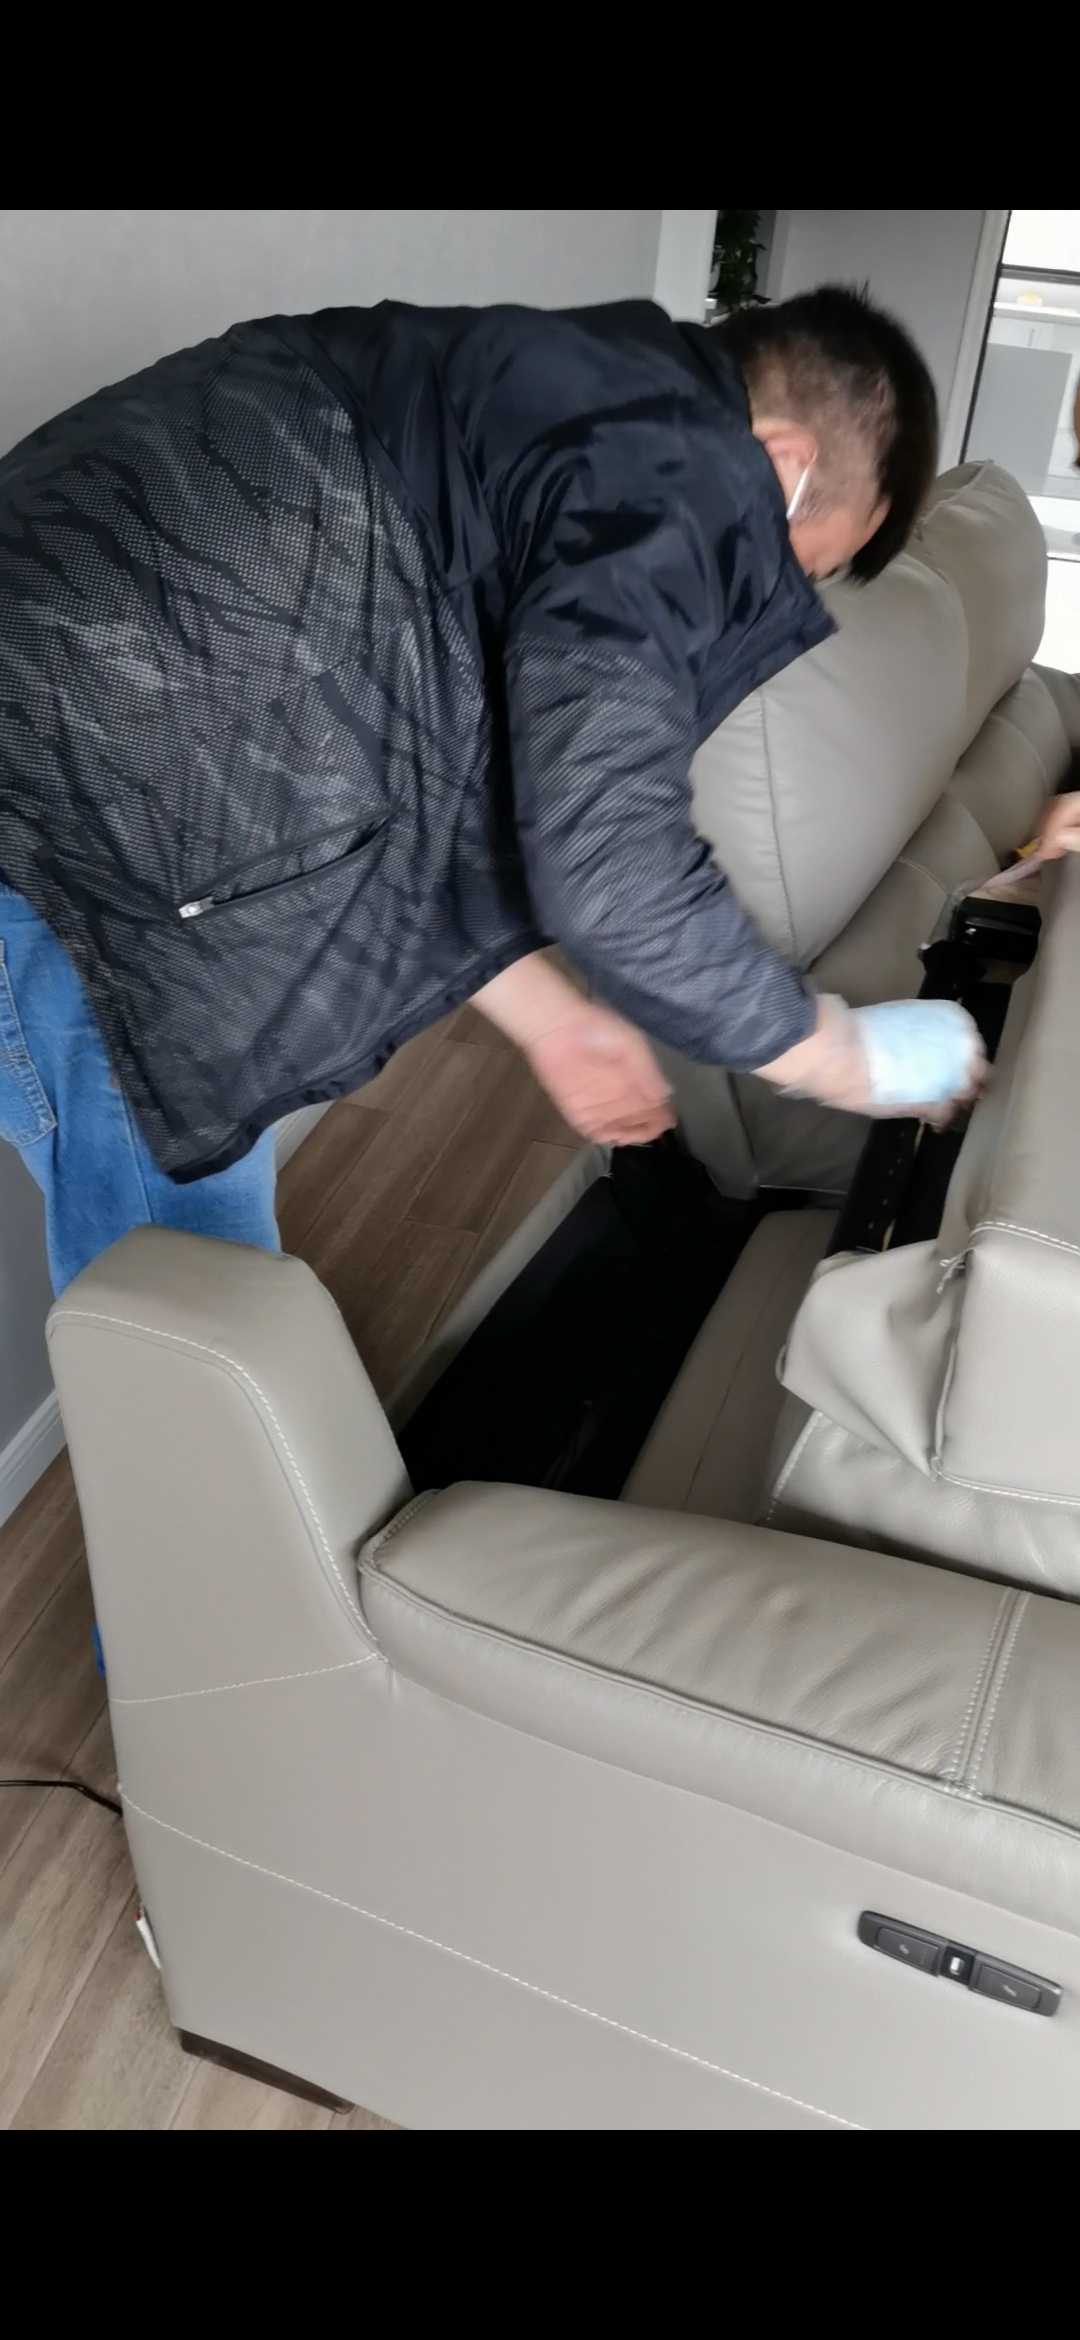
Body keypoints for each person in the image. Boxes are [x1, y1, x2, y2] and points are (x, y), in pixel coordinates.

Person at [0, 282, 984, 1296]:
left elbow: (390, 771)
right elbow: (609, 853)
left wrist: (550, 1019)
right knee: (187, 1297)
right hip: (77, 830)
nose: (774, 594)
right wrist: (837, 1054)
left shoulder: (553, 412)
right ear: (782, 463)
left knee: (180, 1280)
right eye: (799, 568)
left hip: (88, 791)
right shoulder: (679, 471)